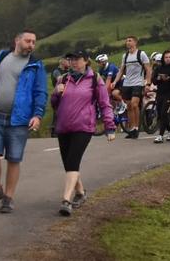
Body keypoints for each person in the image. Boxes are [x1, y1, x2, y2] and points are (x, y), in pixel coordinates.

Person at [0, 30, 48, 214]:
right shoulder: (2, 57)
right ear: (17, 40)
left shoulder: (35, 65)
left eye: (34, 42)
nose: (31, 45)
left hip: (19, 120)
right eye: (28, 41)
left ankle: (9, 197)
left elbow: (40, 92)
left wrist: (37, 115)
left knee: (13, 158)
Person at [50, 51, 115, 216]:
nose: (73, 62)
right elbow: (54, 104)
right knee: (68, 164)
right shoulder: (63, 79)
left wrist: (110, 127)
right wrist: (56, 93)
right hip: (63, 127)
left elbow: (104, 103)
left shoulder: (94, 79)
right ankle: (80, 193)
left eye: (77, 59)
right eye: (71, 59)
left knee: (72, 161)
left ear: (86, 61)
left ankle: (66, 200)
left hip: (83, 127)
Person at [110, 36, 151, 139]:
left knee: (134, 104)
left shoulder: (141, 54)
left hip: (138, 83)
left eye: (130, 41)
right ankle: (132, 129)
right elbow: (121, 70)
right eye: (126, 41)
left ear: (135, 42)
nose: (127, 43)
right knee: (128, 107)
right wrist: (115, 82)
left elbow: (149, 69)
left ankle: (137, 128)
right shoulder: (126, 55)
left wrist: (148, 83)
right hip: (127, 83)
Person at [151, 50, 170, 144]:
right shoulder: (159, 68)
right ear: (163, 58)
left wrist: (169, 79)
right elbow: (154, 80)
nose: (168, 59)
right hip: (160, 93)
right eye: (166, 57)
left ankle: (160, 135)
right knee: (160, 114)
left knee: (164, 113)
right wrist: (160, 78)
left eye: (169, 57)